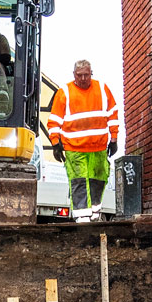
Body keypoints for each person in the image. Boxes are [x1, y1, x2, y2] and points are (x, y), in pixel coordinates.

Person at [46, 58, 119, 220]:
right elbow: (54, 121)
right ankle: (82, 217)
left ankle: (94, 213)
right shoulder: (65, 92)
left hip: (98, 147)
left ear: (91, 74)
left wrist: (114, 139)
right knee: (78, 180)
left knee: (98, 179)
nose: (84, 79)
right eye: (80, 75)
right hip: (74, 148)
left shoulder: (101, 89)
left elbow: (112, 114)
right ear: (74, 75)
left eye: (87, 75)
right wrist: (55, 143)